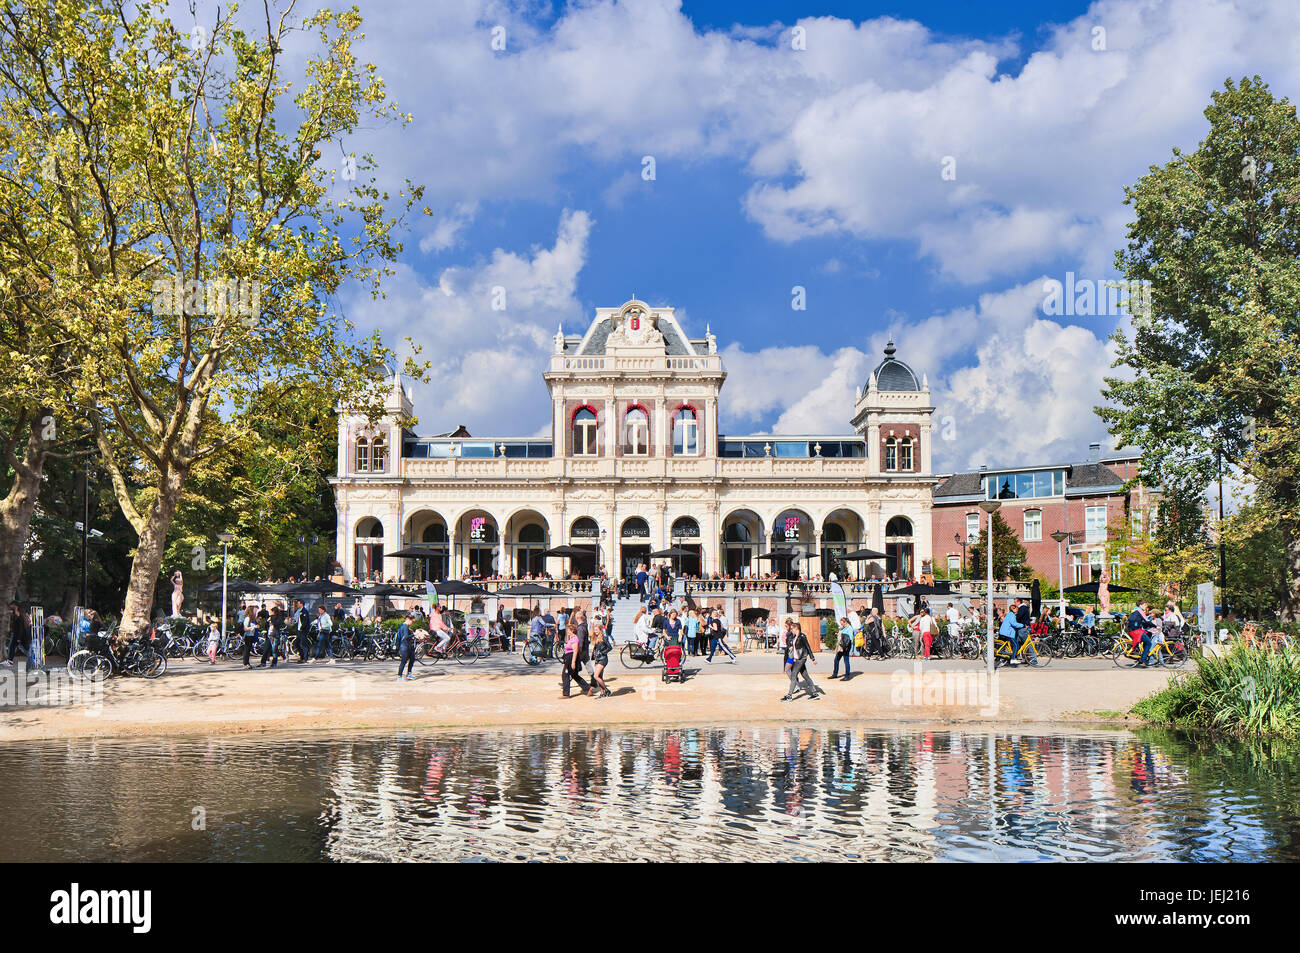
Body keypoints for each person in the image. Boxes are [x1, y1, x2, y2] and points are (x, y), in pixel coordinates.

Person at [782, 623, 821, 701]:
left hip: (801, 659)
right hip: (797, 659)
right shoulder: (794, 637)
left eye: (792, 629)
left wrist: (812, 658)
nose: (791, 630)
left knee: (793, 676)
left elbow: (808, 647)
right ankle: (814, 694)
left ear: (796, 628)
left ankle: (789, 696)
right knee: (805, 676)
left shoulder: (802, 636)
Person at [560, 615, 589, 699]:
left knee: (565, 674)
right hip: (569, 657)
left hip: (570, 658)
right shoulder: (572, 638)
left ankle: (566, 694)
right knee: (574, 675)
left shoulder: (574, 639)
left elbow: (575, 651)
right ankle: (587, 687)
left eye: (568, 630)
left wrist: (573, 662)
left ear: (572, 630)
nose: (567, 632)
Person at [3, 601, 31, 667]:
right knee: (12, 647)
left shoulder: (19, 614)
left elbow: (20, 627)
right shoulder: (16, 612)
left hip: (19, 635)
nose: (10, 607)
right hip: (16, 634)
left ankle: (32, 657)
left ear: (15, 605)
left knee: (24, 648)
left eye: (11, 605)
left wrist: (19, 638)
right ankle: (10, 661)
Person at [1000, 598, 1027, 665]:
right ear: (1013, 609)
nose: (1017, 609)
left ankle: (1011, 657)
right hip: (1007, 633)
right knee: (1015, 645)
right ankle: (1012, 659)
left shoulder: (1010, 614)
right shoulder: (1012, 615)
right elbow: (1014, 624)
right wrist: (1023, 625)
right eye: (1016, 608)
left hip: (1006, 632)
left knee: (1013, 644)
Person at [1129, 601, 1155, 666]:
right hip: (1137, 631)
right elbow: (1146, 620)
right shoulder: (1140, 611)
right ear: (1140, 605)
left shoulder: (1134, 610)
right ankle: (1142, 659)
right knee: (1149, 643)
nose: (1145, 606)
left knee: (1145, 640)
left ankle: (1143, 654)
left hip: (1131, 630)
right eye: (1144, 604)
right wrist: (1155, 626)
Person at [590, 620, 612, 698]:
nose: (595, 631)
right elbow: (596, 649)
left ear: (600, 630)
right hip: (598, 659)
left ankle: (606, 690)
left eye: (597, 630)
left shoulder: (604, 638)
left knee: (596, 676)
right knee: (600, 677)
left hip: (603, 659)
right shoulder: (595, 638)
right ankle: (602, 693)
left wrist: (603, 652)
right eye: (594, 630)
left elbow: (610, 647)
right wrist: (594, 657)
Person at [395, 614, 417, 680]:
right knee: (404, 661)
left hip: (406, 646)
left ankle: (409, 674)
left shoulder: (403, 626)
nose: (412, 623)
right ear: (408, 620)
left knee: (412, 658)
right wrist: (414, 634)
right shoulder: (405, 626)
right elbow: (405, 637)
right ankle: (399, 676)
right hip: (404, 646)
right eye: (412, 621)